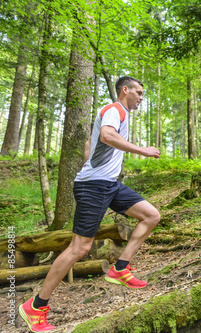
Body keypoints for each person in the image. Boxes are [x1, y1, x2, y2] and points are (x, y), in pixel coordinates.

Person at [19, 76, 161, 332]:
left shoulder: (120, 114)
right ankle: (36, 307)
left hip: (108, 184)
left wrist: (93, 164)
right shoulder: (114, 109)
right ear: (125, 90)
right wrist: (142, 150)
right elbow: (106, 136)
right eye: (139, 92)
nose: (141, 97)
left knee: (151, 216)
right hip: (94, 186)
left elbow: (90, 143)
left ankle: (120, 269)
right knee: (79, 248)